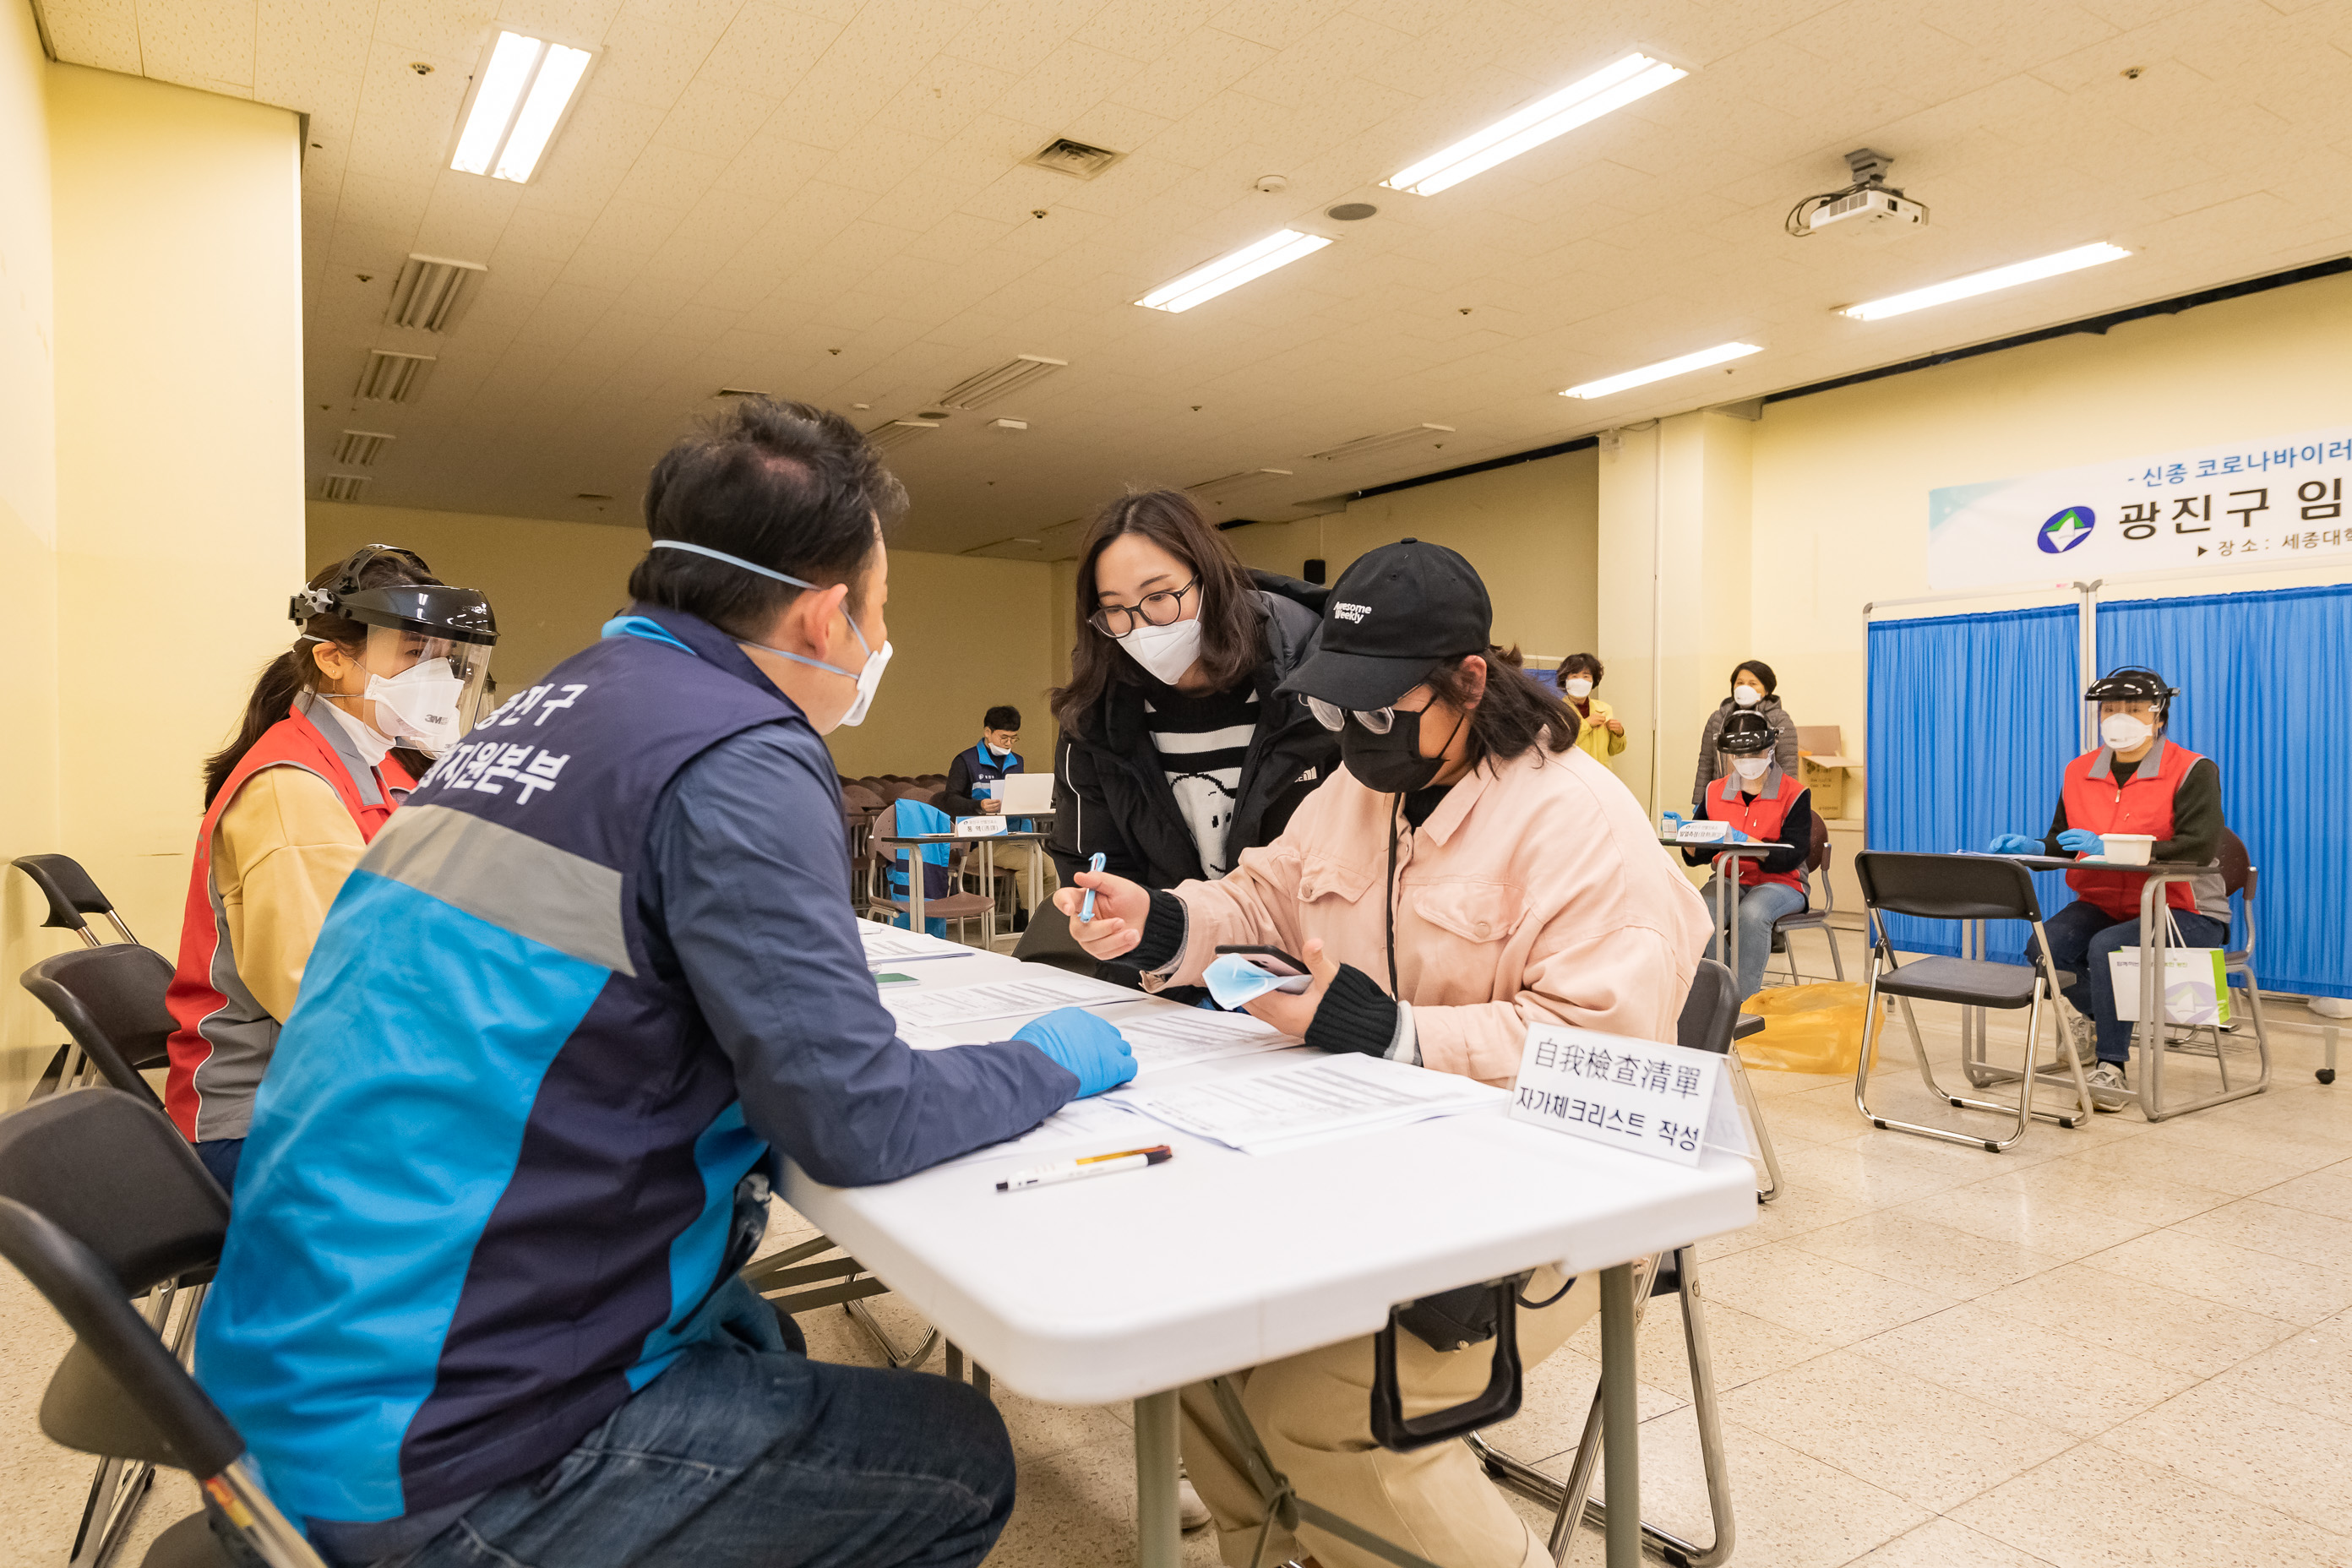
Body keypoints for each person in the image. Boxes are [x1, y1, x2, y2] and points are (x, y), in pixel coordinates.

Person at [193, 399, 1138, 1568]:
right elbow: (856, 1118)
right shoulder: (742, 748)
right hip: (430, 1453)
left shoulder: (543, 709)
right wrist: (1045, 1059)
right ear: (828, 613)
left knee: (756, 1335)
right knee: (953, 1457)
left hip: (287, 1373)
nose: (875, 639)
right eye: (881, 610)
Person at [1054, 539, 1710, 1568]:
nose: (1352, 738)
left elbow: (1600, 1049)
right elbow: (1263, 892)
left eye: (1376, 711)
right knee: (1192, 1361)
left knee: (1342, 1415)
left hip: (1552, 1204)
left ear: (1469, 680)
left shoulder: (1578, 820)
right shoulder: (1362, 789)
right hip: (1379, 1172)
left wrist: (1389, 1029)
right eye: (1330, 710)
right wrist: (1164, 920)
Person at [163, 546, 496, 1195]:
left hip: (332, 1083)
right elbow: (331, 995)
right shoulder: (295, 787)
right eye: (412, 653)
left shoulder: (378, 766)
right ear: (333, 658)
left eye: (442, 658)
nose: (438, 676)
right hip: (267, 1119)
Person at [1049, 488, 1339, 897]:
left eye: (1159, 597)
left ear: (1209, 580)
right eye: (1115, 609)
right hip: (1166, 953)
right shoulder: (1095, 716)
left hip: (1309, 949)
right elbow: (1092, 863)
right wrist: (1117, 926)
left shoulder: (1316, 679)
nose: (1142, 627)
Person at [1989, 667, 2228, 1109]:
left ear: (2159, 716)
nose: (2119, 717)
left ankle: (2111, 1066)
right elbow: (2063, 842)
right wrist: (2033, 846)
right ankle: (2103, 1015)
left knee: (2108, 948)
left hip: (2183, 909)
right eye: (2110, 709)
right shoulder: (2080, 771)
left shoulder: (2193, 769)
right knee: (2046, 948)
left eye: (2133, 709)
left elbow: (2197, 847)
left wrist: (2117, 847)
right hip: (2104, 901)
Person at [1681, 710, 1814, 1002]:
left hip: (1782, 883)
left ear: (1770, 749)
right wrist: (1686, 837)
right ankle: (1722, 996)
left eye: (1754, 752)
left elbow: (1794, 854)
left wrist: (1752, 845)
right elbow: (1699, 854)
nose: (1746, 761)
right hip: (1730, 877)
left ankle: (1743, 1003)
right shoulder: (1715, 791)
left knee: (1751, 915)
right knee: (1700, 912)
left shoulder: (1794, 793)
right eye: (1738, 755)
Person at [941, 704, 1056, 929]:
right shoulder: (965, 761)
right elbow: (949, 801)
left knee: (1051, 868)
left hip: (1016, 836)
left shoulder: (1017, 761)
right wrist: (979, 805)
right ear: (987, 732)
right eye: (1004, 737)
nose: (1008, 743)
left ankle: (1050, 921)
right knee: (1030, 863)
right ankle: (1031, 922)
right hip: (981, 842)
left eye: (1014, 738)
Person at [1691, 658, 1798, 811]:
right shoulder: (1718, 718)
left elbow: (1788, 764)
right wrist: (1699, 801)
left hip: (1766, 798)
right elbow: (1706, 762)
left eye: (1753, 683)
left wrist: (1790, 802)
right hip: (1724, 796)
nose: (1745, 688)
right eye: (1740, 683)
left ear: (1766, 689)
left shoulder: (1779, 719)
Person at [1556, 651, 1625, 767]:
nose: (1580, 681)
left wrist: (1619, 734)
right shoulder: (1558, 710)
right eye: (1574, 676)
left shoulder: (1604, 709)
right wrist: (1587, 724)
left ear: (1593, 680)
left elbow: (1614, 750)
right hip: (1574, 774)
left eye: (1586, 676)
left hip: (1600, 774)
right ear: (1565, 680)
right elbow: (1560, 745)